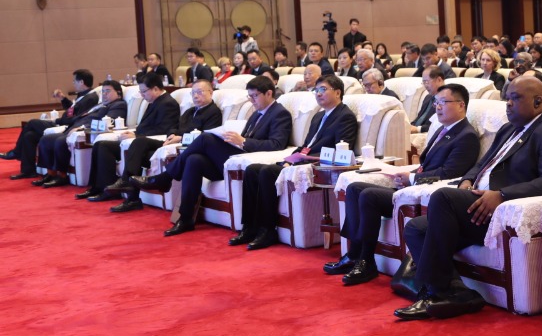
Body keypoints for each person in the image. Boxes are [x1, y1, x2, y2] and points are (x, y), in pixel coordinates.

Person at [395, 78, 542, 320]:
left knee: (443, 197)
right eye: (507, 98)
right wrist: (468, 180)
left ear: (538, 101)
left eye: (515, 98)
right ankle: (456, 294)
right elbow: (483, 164)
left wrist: (502, 195)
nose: (508, 103)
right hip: (475, 202)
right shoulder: (508, 129)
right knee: (416, 228)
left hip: (501, 211)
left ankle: (434, 292)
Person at [333, 83, 482, 286]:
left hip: (424, 194)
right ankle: (353, 254)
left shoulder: (466, 136)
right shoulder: (443, 130)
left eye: (443, 102)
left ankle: (366, 262)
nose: (437, 107)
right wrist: (406, 174)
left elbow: (450, 173)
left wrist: (411, 178)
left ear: (461, 105)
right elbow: (426, 165)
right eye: (436, 103)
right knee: (355, 188)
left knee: (368, 195)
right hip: (411, 188)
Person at [129, 76, 293, 236]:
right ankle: (185, 218)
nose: (251, 100)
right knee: (194, 160)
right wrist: (234, 140)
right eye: (249, 96)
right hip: (236, 157)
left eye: (255, 96)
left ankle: (165, 178)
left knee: (205, 138)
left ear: (269, 93)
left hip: (250, 160)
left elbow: (276, 144)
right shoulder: (256, 113)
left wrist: (243, 141)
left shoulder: (280, 113)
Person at [233, 75, 358, 251]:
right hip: (301, 160)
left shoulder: (345, 116)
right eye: (316, 90)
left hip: (316, 164)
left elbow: (341, 149)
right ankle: (249, 227)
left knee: (267, 172)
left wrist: (303, 159)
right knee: (252, 170)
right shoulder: (318, 116)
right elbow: (307, 145)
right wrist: (291, 158)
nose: (318, 94)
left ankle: (267, 230)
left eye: (323, 89)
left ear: (337, 92)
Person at [101, 79, 222, 211]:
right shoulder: (190, 111)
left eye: (199, 92)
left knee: (141, 154)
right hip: (172, 141)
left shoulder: (213, 112)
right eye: (193, 93)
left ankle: (132, 197)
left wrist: (180, 137)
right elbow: (174, 126)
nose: (196, 96)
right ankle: (127, 183)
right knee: (139, 142)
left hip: (186, 146)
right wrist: (172, 134)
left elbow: (205, 137)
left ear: (211, 92)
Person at [82, 74, 183, 202]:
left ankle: (116, 188)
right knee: (101, 145)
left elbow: (163, 129)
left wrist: (136, 135)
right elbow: (146, 127)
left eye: (144, 91)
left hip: (155, 142)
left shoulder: (167, 103)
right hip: (142, 139)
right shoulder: (154, 102)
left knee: (134, 142)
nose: (142, 95)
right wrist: (133, 133)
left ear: (156, 89)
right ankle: (99, 187)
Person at [34, 80, 129, 189]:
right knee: (46, 139)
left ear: (118, 93)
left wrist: (82, 128)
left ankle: (62, 176)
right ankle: (51, 174)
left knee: (60, 141)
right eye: (103, 91)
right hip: (73, 128)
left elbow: (108, 122)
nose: (104, 94)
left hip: (82, 130)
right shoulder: (99, 105)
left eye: (108, 91)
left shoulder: (119, 105)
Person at [4, 69, 98, 173]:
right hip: (63, 123)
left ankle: (16, 152)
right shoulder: (83, 95)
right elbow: (72, 110)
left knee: (32, 122)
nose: (73, 83)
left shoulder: (91, 98)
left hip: (66, 127)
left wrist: (58, 120)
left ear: (81, 82)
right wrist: (63, 99)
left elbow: (78, 118)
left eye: (74, 81)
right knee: (29, 135)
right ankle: (28, 171)